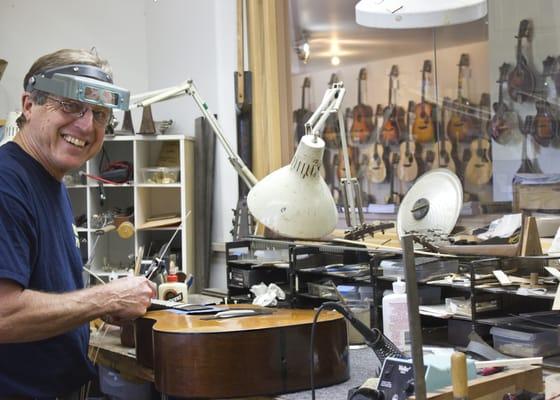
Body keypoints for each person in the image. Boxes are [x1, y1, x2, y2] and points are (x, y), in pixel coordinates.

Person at [0, 49, 156, 399]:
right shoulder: (6, 183)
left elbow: (45, 292)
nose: (86, 126)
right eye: (70, 105)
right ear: (29, 105)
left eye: (99, 113)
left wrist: (105, 308)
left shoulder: (48, 178)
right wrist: (105, 299)